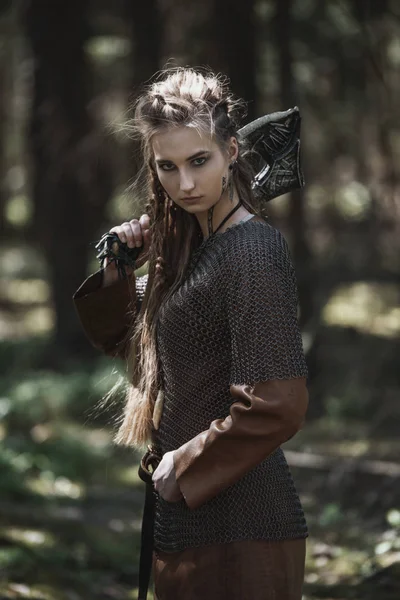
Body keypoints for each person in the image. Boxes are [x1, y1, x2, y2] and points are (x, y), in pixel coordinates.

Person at [73, 67, 309, 600]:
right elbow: (123, 341)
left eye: (199, 161)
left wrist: (186, 461)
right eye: (168, 166)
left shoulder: (252, 250)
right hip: (190, 523)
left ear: (230, 150)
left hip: (243, 526)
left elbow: (279, 403)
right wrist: (121, 270)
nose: (185, 184)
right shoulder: (191, 251)